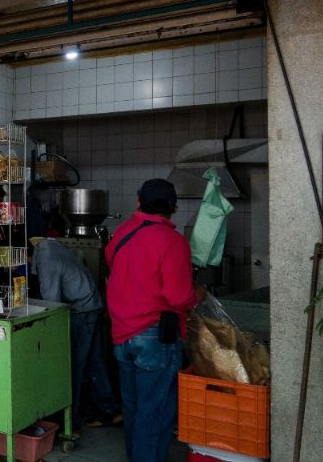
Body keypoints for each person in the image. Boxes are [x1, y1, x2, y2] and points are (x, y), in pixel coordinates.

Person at [105, 179, 202, 462]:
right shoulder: (173, 242)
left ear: (138, 203)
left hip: (121, 335)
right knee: (155, 412)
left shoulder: (120, 234)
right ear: (174, 208)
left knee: (134, 409)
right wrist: (198, 295)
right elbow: (177, 297)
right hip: (155, 338)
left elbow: (119, 271)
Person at [29, 237, 121, 429]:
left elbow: (52, 302)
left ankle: (71, 419)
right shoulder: (51, 246)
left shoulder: (47, 259)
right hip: (92, 305)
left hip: (82, 311)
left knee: (73, 365)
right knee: (93, 363)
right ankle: (110, 409)